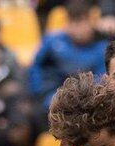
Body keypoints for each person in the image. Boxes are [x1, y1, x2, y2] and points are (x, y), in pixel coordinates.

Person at [29, 0, 108, 130]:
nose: (77, 29)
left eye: (81, 22)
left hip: (86, 102)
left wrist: (80, 99)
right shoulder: (52, 41)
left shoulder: (102, 46)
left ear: (90, 22)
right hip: (52, 97)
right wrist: (40, 91)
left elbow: (101, 77)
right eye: (72, 22)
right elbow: (36, 67)